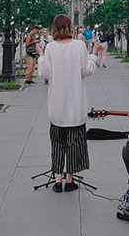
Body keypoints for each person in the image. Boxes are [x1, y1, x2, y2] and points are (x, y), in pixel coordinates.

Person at [39, 14, 98, 192]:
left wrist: (41, 56)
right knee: (74, 143)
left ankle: (57, 181)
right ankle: (70, 180)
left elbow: (45, 74)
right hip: (75, 103)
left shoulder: (50, 48)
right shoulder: (79, 46)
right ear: (70, 27)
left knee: (57, 142)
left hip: (57, 104)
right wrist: (94, 55)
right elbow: (86, 70)